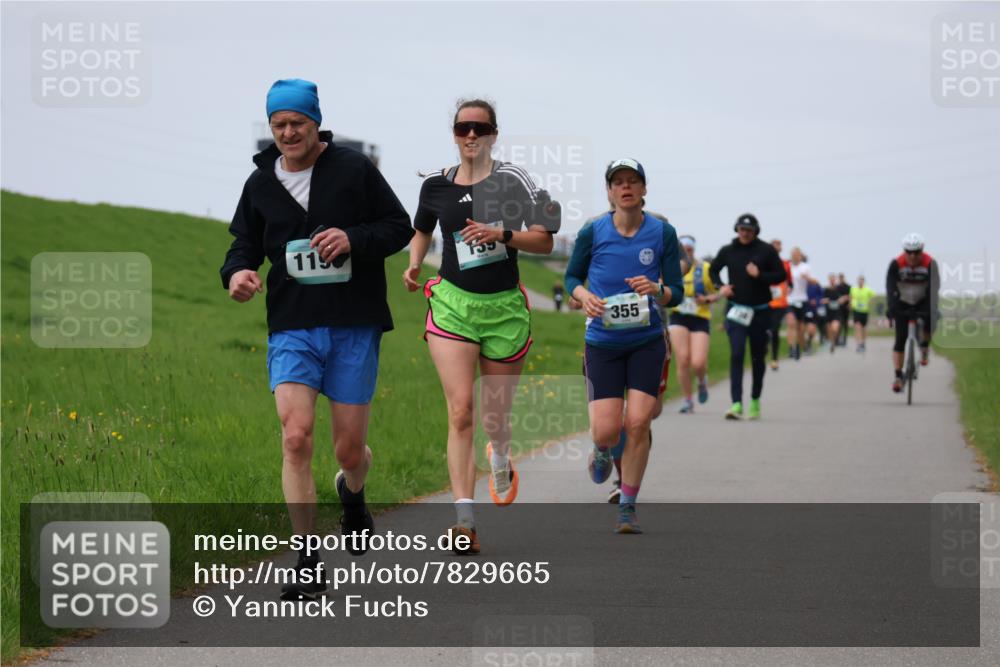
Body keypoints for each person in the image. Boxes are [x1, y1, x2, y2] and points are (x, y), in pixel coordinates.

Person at [220, 79, 413, 600]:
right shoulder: (260, 185)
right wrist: (237, 273)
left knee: (349, 450)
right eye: (278, 125)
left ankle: (353, 493)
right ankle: (307, 558)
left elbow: (399, 227)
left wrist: (354, 238)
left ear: (315, 123)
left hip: (354, 323)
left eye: (297, 124)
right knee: (296, 436)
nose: (287, 133)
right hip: (292, 325)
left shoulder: (352, 169)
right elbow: (243, 243)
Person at [404, 98, 559, 553]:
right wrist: (415, 263)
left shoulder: (513, 181)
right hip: (453, 305)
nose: (471, 135)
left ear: (494, 133)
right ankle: (464, 518)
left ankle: (501, 452)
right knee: (460, 411)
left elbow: (546, 239)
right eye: (462, 128)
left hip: (503, 309)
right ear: (453, 133)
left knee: (495, 418)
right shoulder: (434, 185)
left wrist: (502, 234)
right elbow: (423, 229)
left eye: (480, 128)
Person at [565, 158, 682, 533]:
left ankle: (628, 504)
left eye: (633, 181)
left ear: (644, 190)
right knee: (606, 431)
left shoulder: (662, 233)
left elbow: (675, 292)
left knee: (639, 421)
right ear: (610, 191)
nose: (626, 187)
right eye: (618, 182)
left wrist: (657, 290)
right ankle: (600, 450)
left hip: (646, 341)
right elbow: (571, 278)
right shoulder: (593, 231)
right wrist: (583, 296)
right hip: (602, 342)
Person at [709, 214, 785, 420]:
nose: (745, 233)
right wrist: (720, 286)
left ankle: (755, 400)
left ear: (755, 231)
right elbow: (713, 270)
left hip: (760, 311)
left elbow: (781, 275)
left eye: (749, 230)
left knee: (757, 357)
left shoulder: (766, 250)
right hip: (736, 311)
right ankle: (736, 403)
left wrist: (760, 274)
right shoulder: (728, 250)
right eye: (742, 229)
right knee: (737, 353)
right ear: (736, 229)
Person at [669, 235, 720, 414]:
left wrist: (706, 298)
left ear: (694, 249)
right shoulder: (671, 267)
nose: (687, 252)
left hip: (700, 317)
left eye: (689, 249)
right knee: (682, 359)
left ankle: (701, 381)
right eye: (684, 249)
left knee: (698, 362)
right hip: (678, 316)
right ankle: (687, 399)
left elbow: (718, 292)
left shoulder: (704, 268)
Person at [886, 233, 939, 393]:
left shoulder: (930, 263)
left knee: (929, 323)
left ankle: (924, 347)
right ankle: (897, 376)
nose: (912, 255)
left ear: (922, 250)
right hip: (903, 300)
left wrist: (931, 308)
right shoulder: (896, 263)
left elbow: (934, 288)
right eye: (909, 252)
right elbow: (890, 288)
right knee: (900, 339)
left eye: (916, 252)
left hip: (923, 298)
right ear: (904, 251)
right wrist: (891, 309)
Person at [767, 239, 794, 371]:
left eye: (779, 245)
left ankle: (774, 358)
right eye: (774, 245)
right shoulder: (763, 263)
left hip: (780, 303)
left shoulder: (785, 264)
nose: (777, 247)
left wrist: (788, 288)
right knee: (764, 330)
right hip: (765, 302)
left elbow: (790, 282)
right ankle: (765, 347)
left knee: (775, 330)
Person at [786, 247, 813, 360]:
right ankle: (791, 348)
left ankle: (801, 345)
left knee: (801, 328)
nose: (795, 256)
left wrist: (806, 277)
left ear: (800, 256)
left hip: (802, 299)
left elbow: (812, 281)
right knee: (791, 323)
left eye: (798, 254)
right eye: (793, 254)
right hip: (789, 300)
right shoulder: (787, 266)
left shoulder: (805, 267)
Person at [822, 274, 849, 354]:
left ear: (836, 280)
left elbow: (847, 296)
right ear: (829, 280)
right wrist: (826, 301)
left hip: (837, 313)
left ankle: (834, 341)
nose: (832, 281)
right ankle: (832, 343)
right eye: (831, 279)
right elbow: (822, 300)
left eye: (834, 279)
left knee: (835, 328)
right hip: (828, 313)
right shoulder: (825, 290)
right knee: (829, 330)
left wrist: (843, 299)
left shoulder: (839, 289)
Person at [850, 275, 875, 352]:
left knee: (863, 328)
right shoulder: (853, 289)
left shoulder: (867, 289)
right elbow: (851, 297)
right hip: (856, 310)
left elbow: (873, 296)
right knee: (857, 326)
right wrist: (851, 304)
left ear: (864, 281)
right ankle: (859, 343)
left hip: (864, 310)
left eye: (862, 280)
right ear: (857, 281)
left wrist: (869, 301)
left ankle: (863, 342)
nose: (860, 282)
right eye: (859, 280)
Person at [836, 273, 852, 346]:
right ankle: (838, 339)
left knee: (845, 324)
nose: (841, 279)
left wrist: (847, 301)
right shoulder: (837, 287)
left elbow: (851, 296)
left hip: (846, 308)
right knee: (839, 323)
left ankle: (845, 339)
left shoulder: (848, 286)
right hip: (839, 308)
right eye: (840, 278)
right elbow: (836, 297)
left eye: (842, 277)